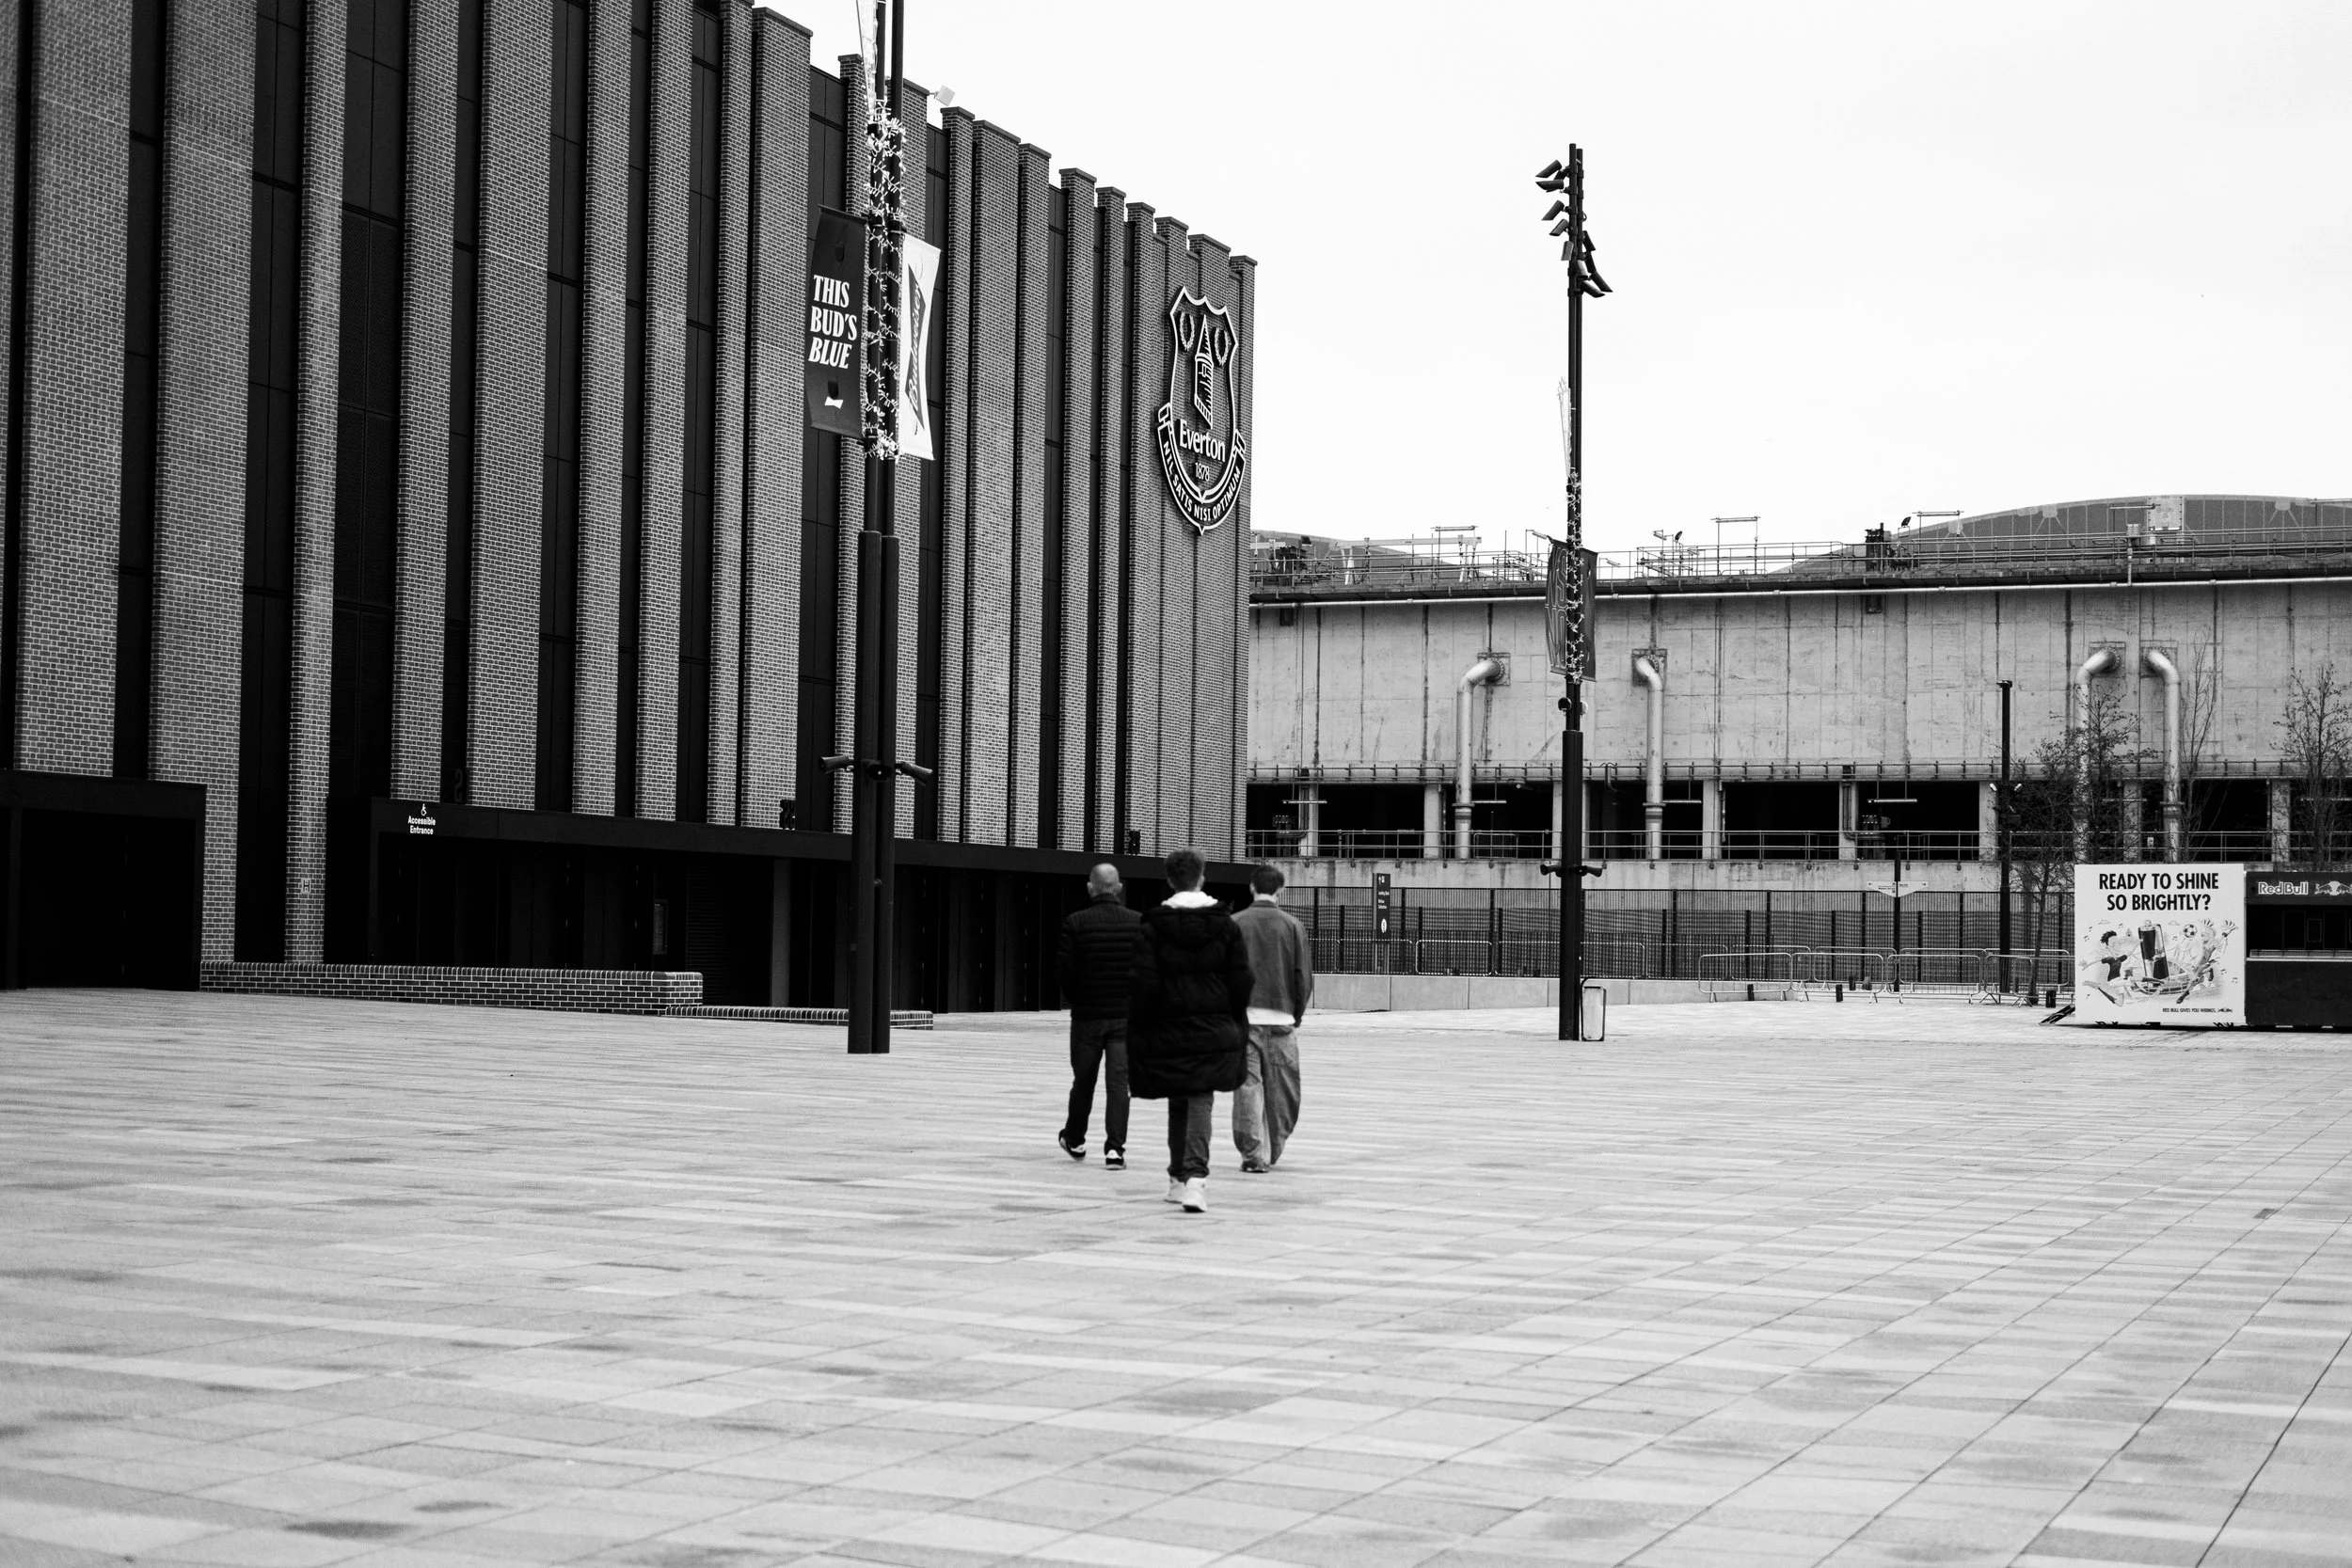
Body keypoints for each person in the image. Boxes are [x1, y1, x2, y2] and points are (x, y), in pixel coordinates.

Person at [1127, 847, 1252, 1212]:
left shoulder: (1152, 926)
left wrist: (1142, 1024)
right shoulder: (1226, 925)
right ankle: (1196, 1179)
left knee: (1178, 1098)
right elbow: (1242, 980)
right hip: (1213, 1028)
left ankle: (1177, 1178)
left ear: (1169, 880)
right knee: (1200, 1098)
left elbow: (1142, 985)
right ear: (1202, 877)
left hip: (1168, 1026)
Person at [1054, 863, 1142, 1167]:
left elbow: (1065, 971)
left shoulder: (1075, 923)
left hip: (1088, 1017)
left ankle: (1075, 1139)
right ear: (1118, 888)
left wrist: (1080, 999)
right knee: (1119, 1084)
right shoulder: (1138, 923)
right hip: (1123, 1018)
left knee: (1084, 1081)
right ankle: (1115, 1149)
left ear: (1091, 888)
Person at [1232, 864, 1312, 1172]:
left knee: (1248, 1087)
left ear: (1252, 888)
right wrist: (1297, 1014)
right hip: (1281, 1019)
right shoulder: (1293, 926)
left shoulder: (1235, 923)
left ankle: (1253, 1154)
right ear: (1281, 891)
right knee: (1283, 1089)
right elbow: (1302, 977)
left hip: (1244, 1019)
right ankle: (1273, 1145)